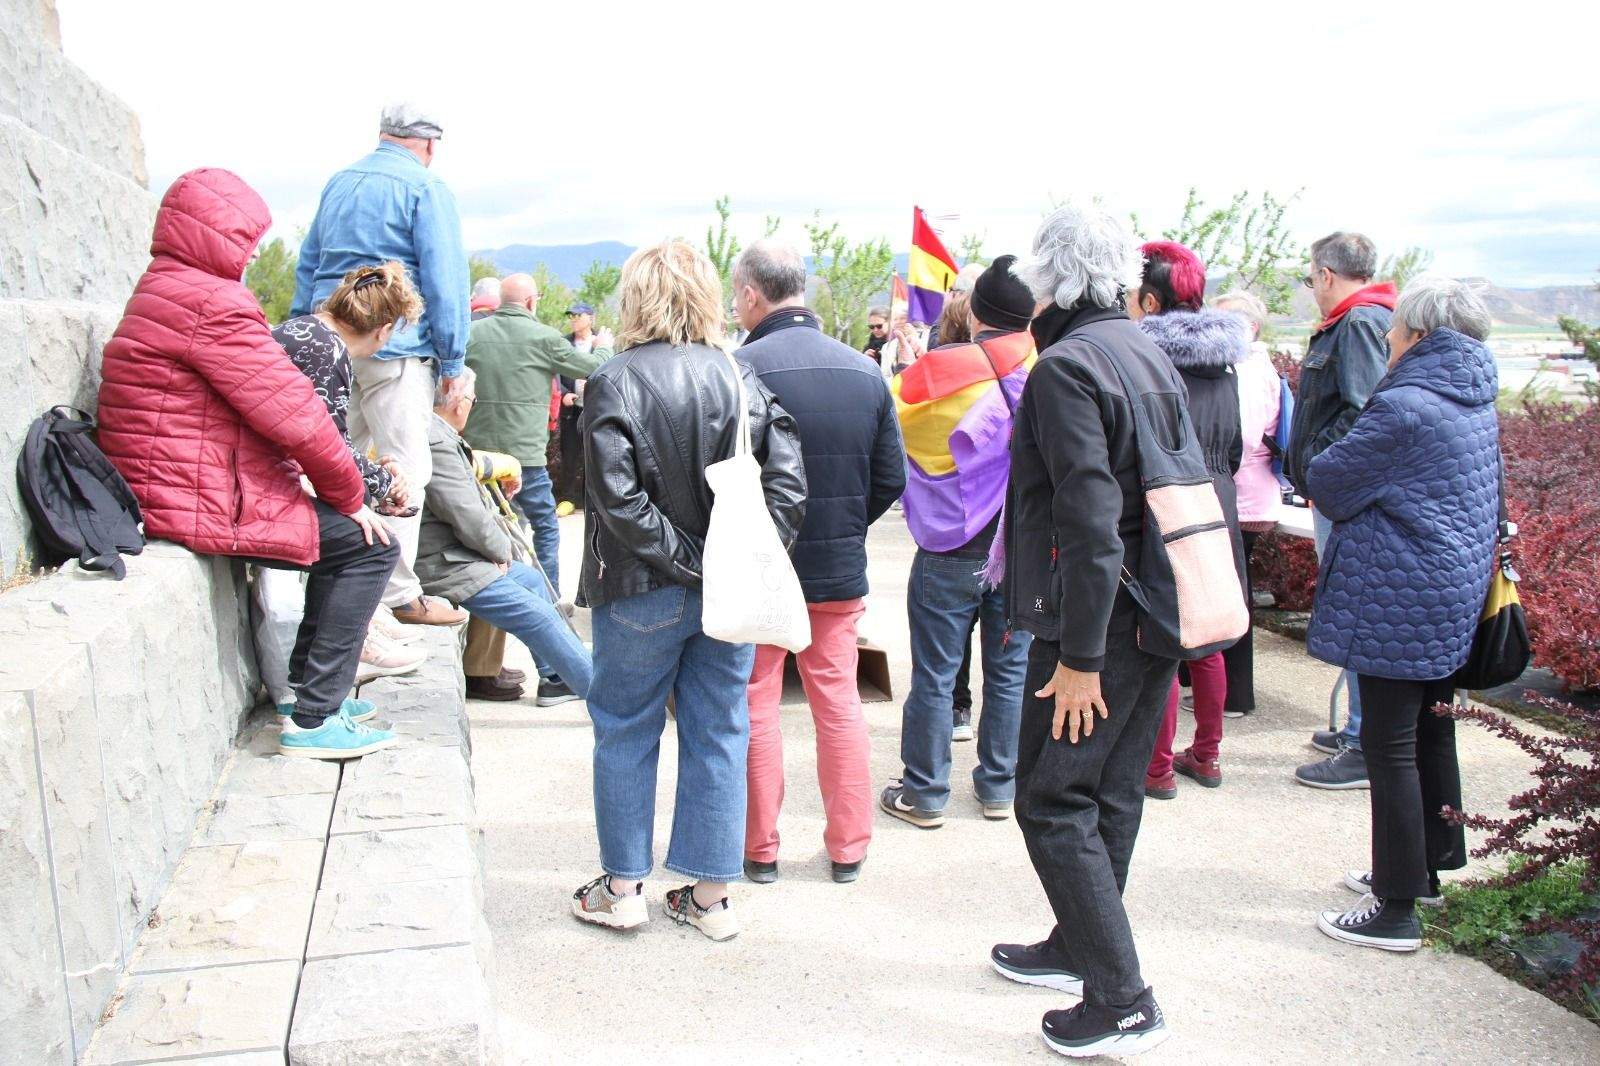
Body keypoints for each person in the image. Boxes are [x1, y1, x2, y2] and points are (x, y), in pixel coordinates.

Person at [97, 168, 399, 760]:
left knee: (345, 537)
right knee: (369, 544)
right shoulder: (213, 302)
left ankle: (306, 695)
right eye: (249, 238)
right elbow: (296, 415)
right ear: (219, 234)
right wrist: (350, 496)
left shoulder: (163, 287)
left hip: (170, 483)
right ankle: (315, 717)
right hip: (191, 494)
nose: (255, 250)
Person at [569, 240, 806, 941]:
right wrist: (738, 559)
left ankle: (622, 887)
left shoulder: (613, 379)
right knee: (720, 729)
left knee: (625, 728)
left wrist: (687, 560)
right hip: (726, 591)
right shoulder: (739, 377)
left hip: (642, 589)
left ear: (634, 297)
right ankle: (710, 896)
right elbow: (791, 484)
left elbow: (617, 500)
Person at [991, 205, 1181, 1056]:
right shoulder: (1143, 347)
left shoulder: (1068, 365)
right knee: (1109, 794)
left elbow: (1094, 523)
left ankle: (1122, 994)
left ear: (1050, 277)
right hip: (1159, 609)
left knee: (1051, 798)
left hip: (1100, 618)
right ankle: (1081, 942)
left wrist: (1079, 657)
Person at [1308, 277, 1499, 951]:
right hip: (1452, 591)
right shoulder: (1474, 397)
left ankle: (1395, 909)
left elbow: (1329, 480)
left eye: (1394, 328)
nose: (1386, 337)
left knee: (1389, 748)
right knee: (1429, 733)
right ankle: (1427, 864)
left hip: (1401, 594)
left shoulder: (1410, 404)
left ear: (1418, 335)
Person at [731, 241, 906, 886]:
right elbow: (892, 475)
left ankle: (759, 846)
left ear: (752, 294)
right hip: (836, 566)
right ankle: (849, 846)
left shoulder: (739, 368)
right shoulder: (864, 372)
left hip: (763, 566)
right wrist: (844, 525)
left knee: (757, 700)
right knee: (837, 702)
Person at [292, 100, 471, 630]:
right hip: (398, 344)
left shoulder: (339, 182)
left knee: (320, 464)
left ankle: (312, 575)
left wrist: (307, 330)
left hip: (334, 339)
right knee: (404, 470)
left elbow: (309, 261)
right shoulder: (426, 188)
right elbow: (444, 276)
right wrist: (452, 357)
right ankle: (394, 595)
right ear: (431, 145)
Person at [880, 255, 1036, 829]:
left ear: (974, 316)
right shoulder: (1044, 368)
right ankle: (1000, 787)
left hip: (948, 548)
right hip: (1019, 549)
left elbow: (892, 424)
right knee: (1011, 670)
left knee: (936, 674)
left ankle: (925, 793)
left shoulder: (929, 376)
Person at [1126, 242, 1247, 798]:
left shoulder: (1149, 362)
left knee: (1167, 638)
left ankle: (1156, 769)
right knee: (1211, 636)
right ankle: (1208, 755)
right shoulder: (1225, 364)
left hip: (1170, 500)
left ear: (1150, 301)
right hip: (1218, 498)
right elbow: (1238, 446)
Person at [270, 261, 429, 685]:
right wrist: (384, 484)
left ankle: (315, 676)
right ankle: (322, 695)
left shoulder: (304, 331)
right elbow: (322, 445)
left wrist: (372, 479)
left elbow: (324, 441)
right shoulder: (326, 348)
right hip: (252, 492)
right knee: (372, 545)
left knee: (355, 527)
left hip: (251, 478)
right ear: (384, 329)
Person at [1286, 232, 1396, 790]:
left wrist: (1320, 466)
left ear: (1327, 275)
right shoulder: (1369, 320)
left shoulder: (1356, 324)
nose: (1313, 289)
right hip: (1343, 492)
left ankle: (1361, 742)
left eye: (1310, 278)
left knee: (1354, 613)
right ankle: (1358, 725)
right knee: (1352, 608)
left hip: (1344, 495)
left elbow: (1361, 411)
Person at [416, 369, 595, 706]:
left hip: (455, 556)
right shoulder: (436, 441)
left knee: (532, 582)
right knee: (536, 613)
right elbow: (468, 518)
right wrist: (501, 552)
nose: (472, 406)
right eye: (472, 399)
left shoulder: (439, 434)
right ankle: (604, 696)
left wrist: (505, 468)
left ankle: (556, 677)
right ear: (457, 401)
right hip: (444, 565)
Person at [463, 275, 612, 600]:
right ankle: (547, 596)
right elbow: (591, 368)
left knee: (486, 528)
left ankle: (491, 592)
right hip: (525, 459)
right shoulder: (544, 338)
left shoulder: (472, 334)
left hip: (478, 458)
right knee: (544, 527)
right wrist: (603, 349)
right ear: (532, 302)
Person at [1212, 290, 1282, 718]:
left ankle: (1235, 694)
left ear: (1250, 328)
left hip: (1244, 498)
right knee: (1231, 592)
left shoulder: (1250, 371)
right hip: (1245, 496)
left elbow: (1245, 436)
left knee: (1231, 596)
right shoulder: (1252, 367)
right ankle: (1223, 688)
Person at [555, 301, 600, 515]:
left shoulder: (603, 344)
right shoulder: (563, 343)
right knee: (570, 454)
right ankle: (568, 498)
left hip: (595, 408)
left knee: (595, 454)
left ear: (590, 318)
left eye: (578, 316)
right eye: (571, 316)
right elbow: (554, 373)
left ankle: (589, 498)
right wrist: (564, 393)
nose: (573, 320)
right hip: (571, 410)